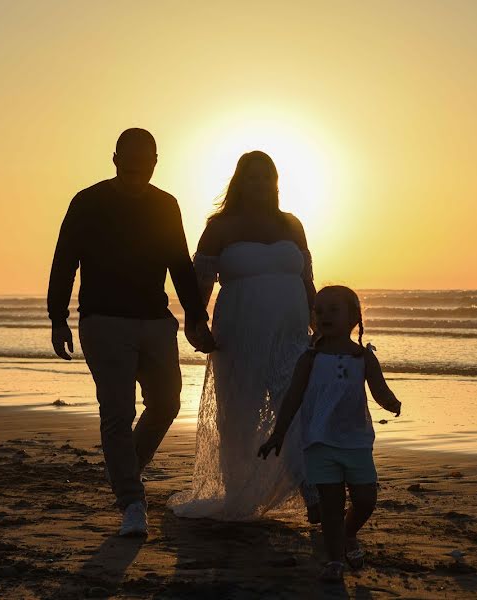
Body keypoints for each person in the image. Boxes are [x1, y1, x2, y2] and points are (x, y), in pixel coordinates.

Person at [47, 128, 215, 537]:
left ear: (156, 161)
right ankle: (132, 501)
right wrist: (57, 317)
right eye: (131, 154)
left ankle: (125, 473)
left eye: (147, 156)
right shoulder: (88, 202)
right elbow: (65, 259)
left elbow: (179, 262)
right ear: (116, 157)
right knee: (118, 413)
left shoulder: (165, 205)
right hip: (103, 322)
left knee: (167, 404)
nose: (139, 162)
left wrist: (196, 315)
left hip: (156, 322)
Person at [167, 151, 320, 520]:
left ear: (276, 182)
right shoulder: (220, 227)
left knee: (297, 408)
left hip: (292, 334)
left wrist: (324, 327)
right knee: (239, 414)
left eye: (266, 177)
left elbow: (307, 280)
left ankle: (311, 491)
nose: (260, 184)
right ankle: (240, 495)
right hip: (239, 332)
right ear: (239, 181)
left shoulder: (292, 225)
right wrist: (194, 323)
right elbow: (199, 284)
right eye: (252, 177)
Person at [259, 285, 402, 582]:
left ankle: (349, 534)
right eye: (319, 310)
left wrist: (390, 401)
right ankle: (335, 559)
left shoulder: (363, 357)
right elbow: (293, 398)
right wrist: (278, 433)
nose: (324, 315)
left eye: (333, 310)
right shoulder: (309, 358)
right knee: (330, 506)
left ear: (353, 318)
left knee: (365, 500)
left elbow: (378, 388)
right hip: (319, 441)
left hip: (356, 441)